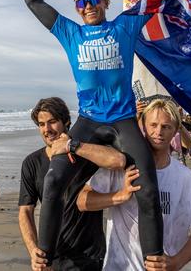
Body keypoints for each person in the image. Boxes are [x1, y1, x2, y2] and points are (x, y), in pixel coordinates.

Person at [25, 0, 163, 264]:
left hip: (123, 120)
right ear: (77, 9)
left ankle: (155, 259)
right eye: (82, 2)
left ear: (105, 2)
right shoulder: (69, 33)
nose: (88, 6)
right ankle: (44, 256)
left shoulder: (124, 26)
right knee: (53, 181)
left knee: (148, 186)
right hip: (88, 121)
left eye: (93, 0)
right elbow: (32, 1)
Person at [78, 99, 191, 270]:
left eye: (166, 126)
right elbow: (81, 201)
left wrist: (176, 262)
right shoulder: (121, 168)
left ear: (176, 130)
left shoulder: (185, 177)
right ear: (143, 127)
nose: (158, 132)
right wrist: (119, 196)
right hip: (119, 265)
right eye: (153, 125)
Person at [19, 97, 126, 270]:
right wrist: (33, 250)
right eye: (41, 124)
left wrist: (74, 146)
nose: (47, 129)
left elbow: (117, 160)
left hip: (89, 256)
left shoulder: (85, 154)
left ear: (67, 122)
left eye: (52, 122)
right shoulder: (32, 163)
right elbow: (25, 210)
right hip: (52, 256)